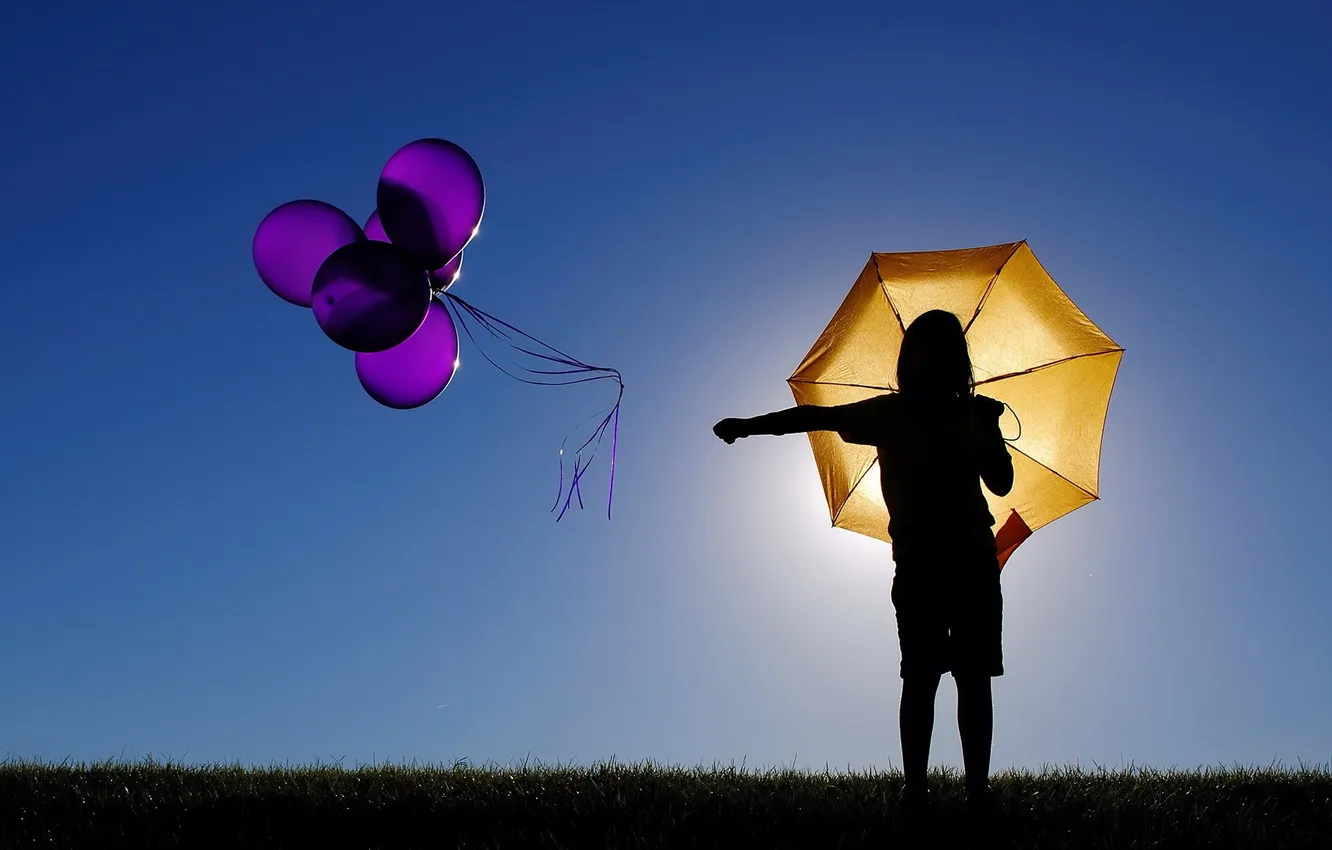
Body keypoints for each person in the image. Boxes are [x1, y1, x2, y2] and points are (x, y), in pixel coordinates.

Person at [712, 309, 1014, 821]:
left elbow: (1001, 483)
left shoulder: (969, 416)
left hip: (967, 559)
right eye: (926, 348)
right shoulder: (894, 413)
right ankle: (919, 791)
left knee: (968, 676)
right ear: (913, 359)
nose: (934, 359)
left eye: (942, 349)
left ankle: (973, 791)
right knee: (925, 676)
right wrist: (750, 427)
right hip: (926, 562)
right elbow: (817, 417)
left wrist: (990, 429)